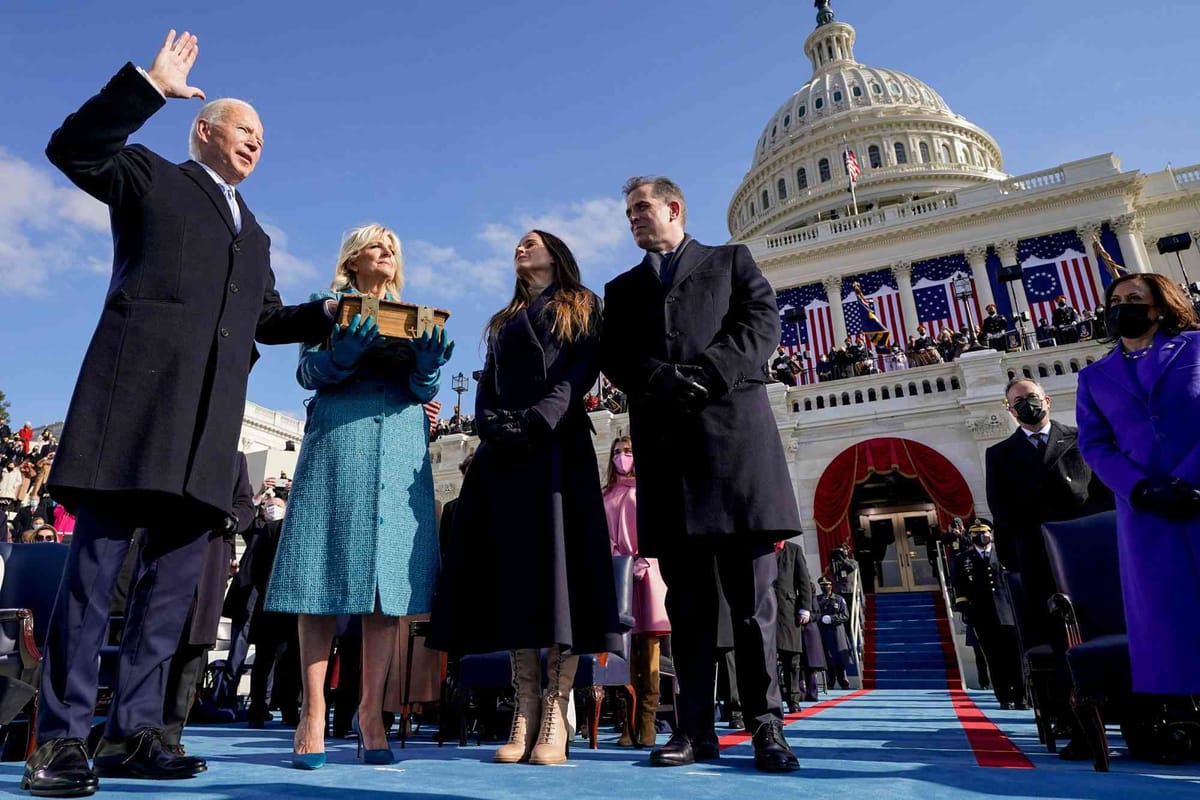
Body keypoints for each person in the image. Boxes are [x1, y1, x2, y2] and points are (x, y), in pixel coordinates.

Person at [24, 31, 335, 798]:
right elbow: (72, 146)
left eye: (263, 135)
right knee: (94, 583)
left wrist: (327, 312)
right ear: (204, 129)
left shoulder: (256, 233)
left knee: (167, 598)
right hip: (131, 412)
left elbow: (263, 318)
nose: (257, 140)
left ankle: (136, 735)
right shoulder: (149, 177)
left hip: (205, 435)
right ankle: (59, 740)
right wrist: (147, 87)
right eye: (244, 128)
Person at [601, 176, 801, 772]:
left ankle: (767, 727)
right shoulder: (623, 287)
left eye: (642, 208)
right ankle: (693, 732)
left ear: (674, 207)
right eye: (628, 212)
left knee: (751, 606)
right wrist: (658, 378)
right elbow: (614, 354)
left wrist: (708, 373)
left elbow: (760, 327)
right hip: (670, 460)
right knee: (686, 611)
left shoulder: (731, 261)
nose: (634, 218)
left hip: (737, 452)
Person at [429, 229, 621, 766]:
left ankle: (556, 711)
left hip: (557, 448)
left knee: (559, 575)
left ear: (556, 254)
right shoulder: (502, 320)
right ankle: (525, 705)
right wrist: (492, 424)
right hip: (506, 455)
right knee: (516, 578)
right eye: (518, 242)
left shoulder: (583, 306)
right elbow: (487, 380)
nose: (521, 247)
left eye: (532, 241)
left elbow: (580, 372)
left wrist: (540, 419)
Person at [264, 224, 452, 769]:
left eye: (394, 245)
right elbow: (306, 372)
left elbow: (422, 392)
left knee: (383, 587)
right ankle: (311, 710)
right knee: (319, 577)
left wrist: (429, 368)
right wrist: (339, 358)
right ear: (352, 260)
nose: (387, 251)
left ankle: (372, 714)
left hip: (398, 444)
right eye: (376, 245)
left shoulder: (417, 317)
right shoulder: (328, 309)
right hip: (339, 440)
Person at [1075, 273, 1200, 696]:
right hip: (1147, 512)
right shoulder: (1093, 377)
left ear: (1159, 307)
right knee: (1168, 613)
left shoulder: (1196, 347)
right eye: (1114, 301)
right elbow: (1094, 445)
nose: (1120, 307)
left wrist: (1186, 479)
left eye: (1133, 298)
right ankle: (1182, 708)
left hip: (1197, 493)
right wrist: (1142, 488)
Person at [159, 454, 254, 754]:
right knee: (155, 645)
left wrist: (233, 519)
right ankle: (136, 728)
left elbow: (245, 505)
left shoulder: (234, 460)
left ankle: (170, 736)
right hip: (165, 553)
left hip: (210, 558)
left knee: (192, 653)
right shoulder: (176, 446)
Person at [602, 436, 670, 748]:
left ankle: (648, 721)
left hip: (647, 572)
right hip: (619, 575)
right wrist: (618, 560)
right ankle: (627, 724)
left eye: (628, 451)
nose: (622, 457)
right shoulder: (604, 495)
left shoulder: (648, 490)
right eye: (617, 452)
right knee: (624, 651)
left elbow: (656, 526)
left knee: (650, 648)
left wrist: (644, 557)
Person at [952, 520, 1025, 709]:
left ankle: (1020, 697)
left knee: (1014, 657)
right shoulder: (963, 559)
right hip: (982, 616)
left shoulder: (1004, 555)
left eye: (984, 532)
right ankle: (1004, 697)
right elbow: (959, 587)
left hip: (1008, 613)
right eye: (976, 533)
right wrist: (966, 610)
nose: (981, 536)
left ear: (990, 534)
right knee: (994, 658)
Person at [774, 540, 824, 711]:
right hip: (764, 610)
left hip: (788, 611)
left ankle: (793, 698)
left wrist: (805, 608)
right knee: (767, 659)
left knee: (792, 659)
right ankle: (772, 699)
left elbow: (804, 581)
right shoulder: (761, 548)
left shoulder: (794, 550)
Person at [815, 578, 851, 688]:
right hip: (823, 632)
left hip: (836, 631)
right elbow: (814, 614)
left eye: (827, 584)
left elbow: (845, 615)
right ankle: (830, 681)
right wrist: (821, 619)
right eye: (822, 585)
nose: (824, 587)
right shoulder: (817, 600)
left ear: (831, 585)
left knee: (839, 656)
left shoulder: (839, 599)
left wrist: (832, 618)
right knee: (826, 657)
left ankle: (843, 681)